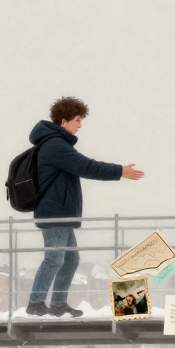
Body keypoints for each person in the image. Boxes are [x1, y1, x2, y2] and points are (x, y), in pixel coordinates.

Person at [27, 97, 144, 317]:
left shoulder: (55, 143)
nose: (80, 125)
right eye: (78, 120)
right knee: (54, 258)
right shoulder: (54, 145)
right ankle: (35, 303)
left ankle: (59, 304)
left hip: (60, 212)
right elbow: (86, 166)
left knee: (70, 259)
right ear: (64, 121)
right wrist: (119, 171)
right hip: (54, 214)